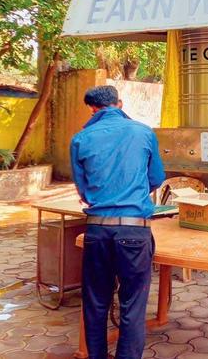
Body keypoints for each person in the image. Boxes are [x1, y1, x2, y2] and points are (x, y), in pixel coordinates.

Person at [70, 85, 165, 359]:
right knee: (133, 305)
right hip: (135, 230)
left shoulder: (80, 139)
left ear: (92, 109)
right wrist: (131, 192)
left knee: (96, 302)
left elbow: (83, 189)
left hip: (97, 230)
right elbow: (157, 178)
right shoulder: (143, 132)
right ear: (119, 104)